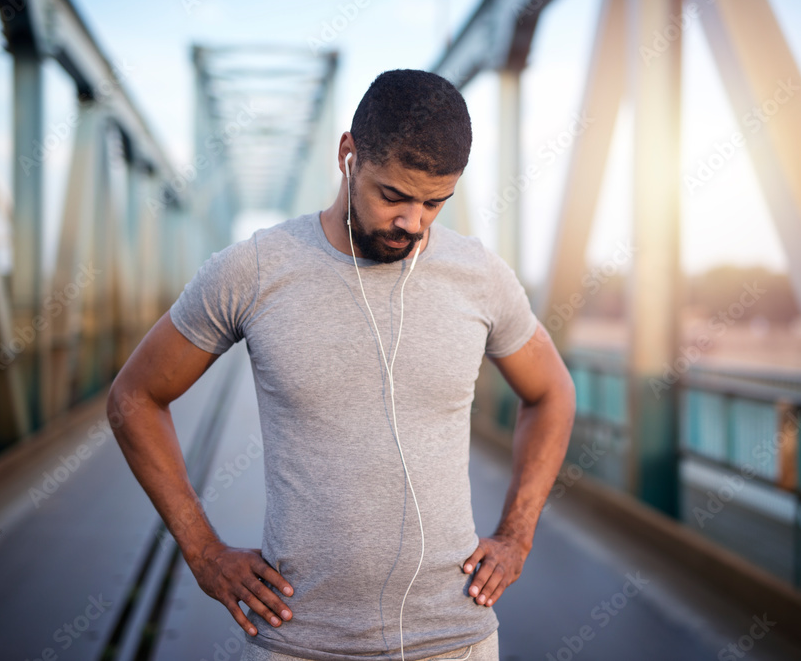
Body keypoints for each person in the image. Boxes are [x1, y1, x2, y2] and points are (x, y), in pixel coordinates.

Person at [108, 68, 576, 661]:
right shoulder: (253, 271)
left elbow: (552, 392)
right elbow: (133, 398)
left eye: (435, 203)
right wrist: (203, 552)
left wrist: (517, 535)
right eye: (393, 196)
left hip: (459, 641)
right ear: (347, 155)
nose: (414, 223)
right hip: (298, 644)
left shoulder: (479, 275)